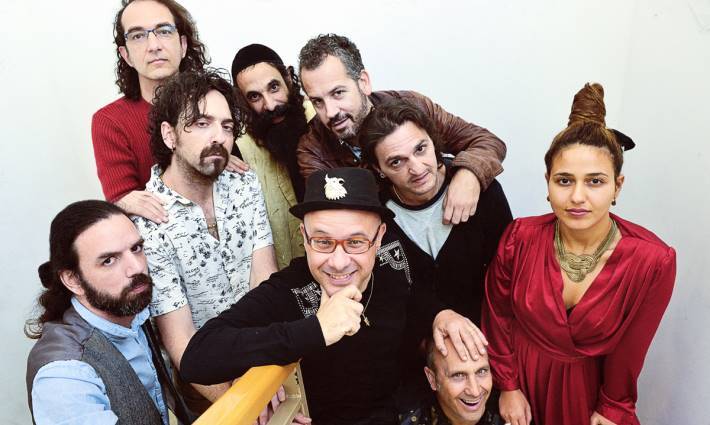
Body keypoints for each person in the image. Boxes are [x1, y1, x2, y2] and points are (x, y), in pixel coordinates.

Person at [180, 167, 487, 424]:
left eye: (355, 242)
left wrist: (439, 313)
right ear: (304, 237)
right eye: (323, 242)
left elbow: (409, 294)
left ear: (380, 237)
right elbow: (198, 357)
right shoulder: (288, 290)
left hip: (402, 411)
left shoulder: (392, 259)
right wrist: (315, 330)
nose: (339, 262)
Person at [481, 83, 676, 425]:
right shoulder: (519, 237)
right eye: (564, 180)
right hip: (521, 382)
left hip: (587, 392)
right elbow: (497, 315)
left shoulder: (653, 261)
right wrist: (508, 386)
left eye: (595, 181)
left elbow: (631, 348)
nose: (577, 197)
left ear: (617, 186)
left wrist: (612, 406)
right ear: (548, 182)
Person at [132, 68, 277, 413]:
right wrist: (242, 402)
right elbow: (180, 340)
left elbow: (265, 281)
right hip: (206, 385)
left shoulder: (243, 184)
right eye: (201, 123)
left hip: (269, 362)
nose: (219, 137)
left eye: (227, 126)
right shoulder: (148, 221)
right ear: (169, 135)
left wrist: (265, 374)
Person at [297, 33, 507, 224]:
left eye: (338, 93)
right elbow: (338, 220)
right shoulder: (312, 150)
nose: (330, 112)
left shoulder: (411, 106)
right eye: (317, 101)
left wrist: (469, 174)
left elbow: (486, 141)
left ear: (363, 82)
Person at [25, 200, 191, 425]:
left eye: (136, 248)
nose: (137, 268)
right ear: (73, 280)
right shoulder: (63, 377)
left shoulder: (129, 305)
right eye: (109, 261)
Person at [92, 0, 246, 223]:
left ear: (183, 45)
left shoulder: (216, 101)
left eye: (164, 31)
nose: (153, 46)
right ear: (126, 55)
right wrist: (122, 202)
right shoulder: (110, 121)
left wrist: (215, 158)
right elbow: (125, 204)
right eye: (138, 36)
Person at [231, 43, 314, 269]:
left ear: (288, 78)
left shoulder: (322, 116)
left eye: (274, 87)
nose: (270, 105)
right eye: (254, 97)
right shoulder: (239, 149)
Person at [399, 337, 503, 425]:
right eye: (458, 375)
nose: (475, 392)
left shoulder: (506, 412)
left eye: (481, 371)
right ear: (432, 379)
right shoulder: (404, 418)